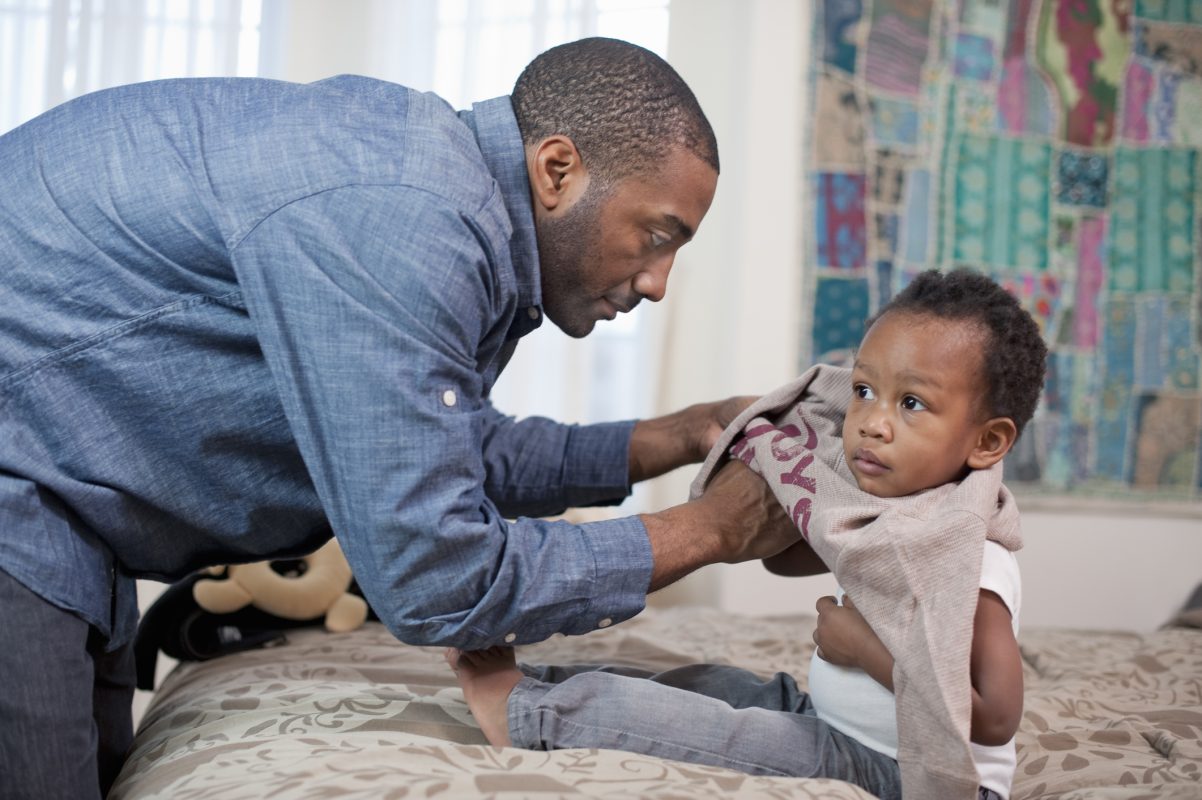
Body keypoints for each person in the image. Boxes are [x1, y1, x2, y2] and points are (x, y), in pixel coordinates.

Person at [0, 38, 801, 799]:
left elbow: (430, 446)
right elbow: (438, 573)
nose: (659, 281)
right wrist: (713, 531)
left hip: (59, 503)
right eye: (657, 237)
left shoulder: (430, 191)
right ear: (557, 168)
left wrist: (683, 433)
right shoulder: (407, 222)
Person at [447, 269, 1049, 800]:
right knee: (716, 683)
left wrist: (862, 649)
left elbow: (993, 716)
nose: (873, 423)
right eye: (864, 391)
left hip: (900, 767)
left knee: (714, 731)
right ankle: (550, 684)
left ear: (987, 442)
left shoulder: (972, 558)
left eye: (912, 403)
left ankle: (530, 713)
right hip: (842, 723)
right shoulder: (893, 518)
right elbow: (786, 564)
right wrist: (794, 496)